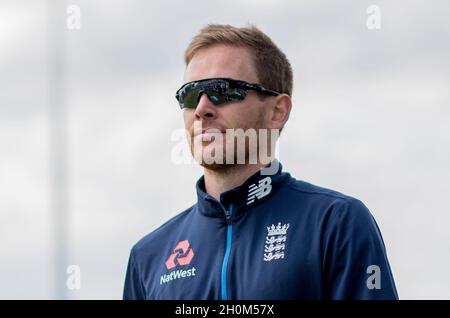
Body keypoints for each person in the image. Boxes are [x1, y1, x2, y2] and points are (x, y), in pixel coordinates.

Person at [123, 24, 398, 300]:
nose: (202, 109)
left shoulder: (335, 222)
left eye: (223, 90)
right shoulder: (148, 256)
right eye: (190, 95)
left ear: (277, 111)